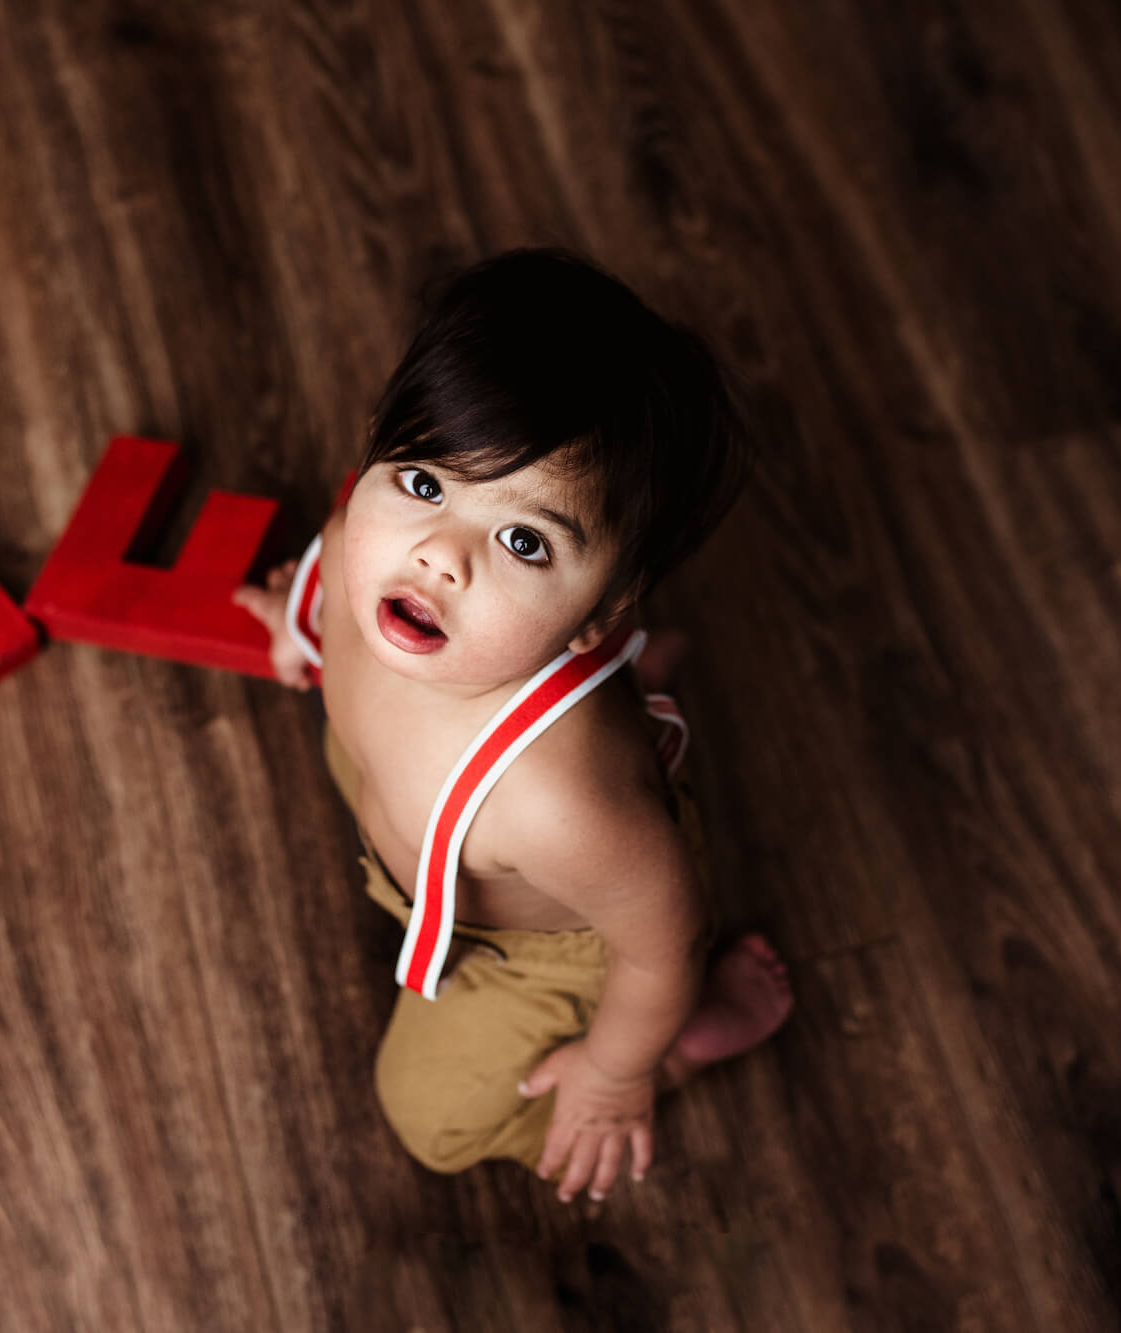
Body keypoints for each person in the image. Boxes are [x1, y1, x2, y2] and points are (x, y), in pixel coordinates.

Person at [232, 249, 793, 1204]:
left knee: (429, 1115)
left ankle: (686, 1049)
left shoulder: (556, 806)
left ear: (596, 618)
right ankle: (629, 692)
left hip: (538, 945)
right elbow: (342, 552)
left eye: (524, 541)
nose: (438, 555)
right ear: (375, 450)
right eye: (422, 481)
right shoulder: (370, 547)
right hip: (429, 814)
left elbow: (663, 939)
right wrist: (303, 623)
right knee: (352, 746)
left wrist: (619, 1069)